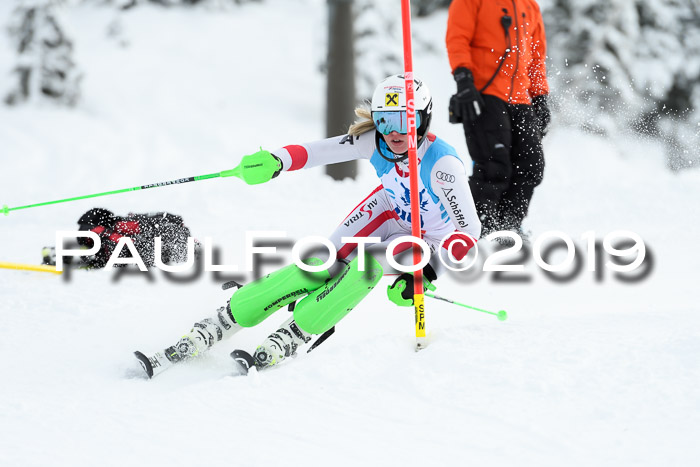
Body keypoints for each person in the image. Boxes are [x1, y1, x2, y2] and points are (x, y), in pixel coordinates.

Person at [134, 75, 481, 379]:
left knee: (366, 266)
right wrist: (276, 160)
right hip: (389, 211)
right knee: (320, 264)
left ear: (424, 119)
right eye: (385, 121)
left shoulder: (442, 164)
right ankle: (226, 318)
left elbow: (470, 233)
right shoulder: (374, 140)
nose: (393, 133)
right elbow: (318, 152)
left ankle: (298, 331)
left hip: (428, 238)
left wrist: (428, 274)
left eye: (405, 121)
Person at [446, 0, 550, 241]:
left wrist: (540, 97)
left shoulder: (529, 5)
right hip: (484, 94)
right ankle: (478, 228)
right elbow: (458, 37)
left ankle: (509, 227)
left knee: (531, 165)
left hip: (521, 98)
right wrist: (463, 79)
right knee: (494, 166)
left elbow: (536, 56)